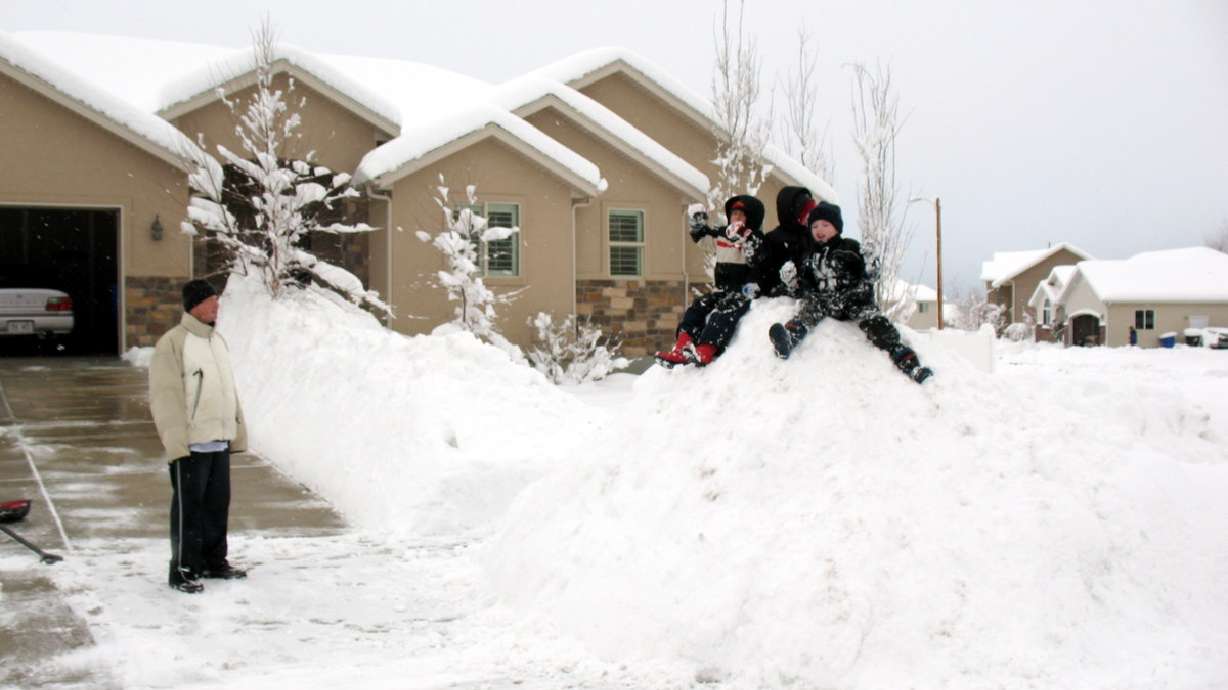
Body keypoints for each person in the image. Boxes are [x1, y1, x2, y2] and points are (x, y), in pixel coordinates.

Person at [149, 279, 248, 593]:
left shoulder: (217, 341)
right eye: (210, 301)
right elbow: (165, 397)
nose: (216, 305)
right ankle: (183, 569)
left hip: (218, 438)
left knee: (217, 506)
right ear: (194, 305)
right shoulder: (174, 343)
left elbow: (227, 389)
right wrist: (175, 441)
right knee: (188, 510)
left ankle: (213, 562)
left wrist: (237, 427)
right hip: (191, 443)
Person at [768, 202, 934, 384]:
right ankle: (788, 339)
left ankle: (908, 363)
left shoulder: (850, 247)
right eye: (814, 226)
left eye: (825, 225)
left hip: (854, 300)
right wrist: (793, 283)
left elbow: (870, 276)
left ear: (836, 228)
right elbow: (807, 287)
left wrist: (871, 264)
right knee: (810, 305)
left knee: (877, 325)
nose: (819, 230)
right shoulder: (811, 257)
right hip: (827, 302)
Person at [655, 195, 766, 367]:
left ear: (751, 219)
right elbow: (705, 241)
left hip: (743, 292)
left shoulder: (755, 239)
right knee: (697, 307)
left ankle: (706, 350)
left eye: (742, 215)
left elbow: (758, 258)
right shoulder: (722, 235)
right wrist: (698, 228)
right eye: (734, 213)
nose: (736, 218)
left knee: (722, 313)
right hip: (722, 290)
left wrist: (743, 237)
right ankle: (682, 346)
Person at [753, 186, 820, 298]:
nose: (809, 218)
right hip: (779, 302)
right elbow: (763, 274)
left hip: (808, 296)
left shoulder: (812, 237)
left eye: (811, 214)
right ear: (791, 212)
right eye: (805, 213)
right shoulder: (773, 239)